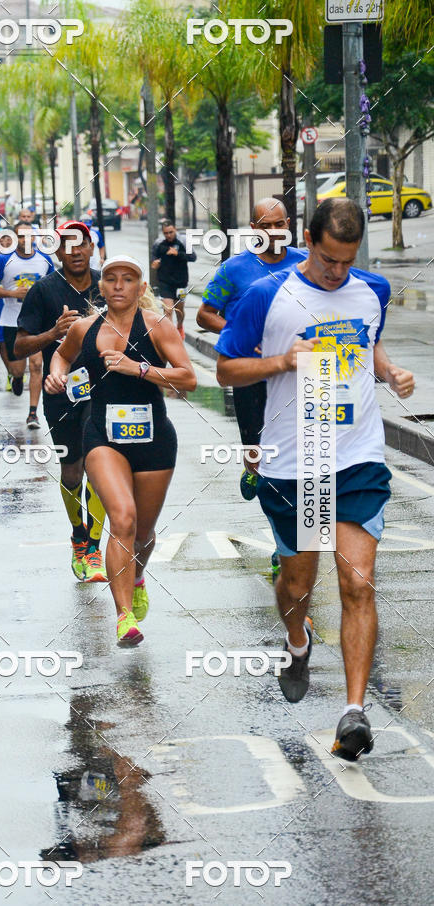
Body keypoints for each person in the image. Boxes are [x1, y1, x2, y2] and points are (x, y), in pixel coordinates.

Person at [215, 197, 415, 761]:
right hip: (293, 465)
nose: (336, 272)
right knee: (298, 584)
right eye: (328, 260)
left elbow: (368, 342)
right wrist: (282, 362)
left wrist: (389, 370)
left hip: (355, 458)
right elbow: (226, 366)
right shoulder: (265, 295)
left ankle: (353, 711)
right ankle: (297, 641)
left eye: (346, 262)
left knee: (358, 582)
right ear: (308, 239)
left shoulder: (372, 289)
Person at [45, 255, 196, 646]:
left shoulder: (157, 327)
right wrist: (57, 373)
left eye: (128, 279)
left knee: (143, 533)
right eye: (110, 278)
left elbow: (188, 378)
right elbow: (62, 354)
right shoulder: (85, 328)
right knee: (122, 518)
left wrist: (138, 368)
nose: (118, 285)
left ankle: (139, 576)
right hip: (102, 436)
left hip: (154, 441)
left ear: (140, 288)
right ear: (102, 286)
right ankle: (123, 616)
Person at [198, 198, 307, 532]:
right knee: (260, 454)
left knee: (298, 457)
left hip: (296, 375)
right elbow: (205, 314)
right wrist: (241, 333)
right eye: (265, 225)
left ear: (288, 225)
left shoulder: (306, 263)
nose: (273, 231)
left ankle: (285, 543)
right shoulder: (234, 269)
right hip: (250, 372)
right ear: (254, 228)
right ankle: (253, 469)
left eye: (278, 224)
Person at [15, 222, 108, 581]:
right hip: (61, 391)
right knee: (73, 468)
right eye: (66, 245)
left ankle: (95, 548)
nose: (75, 251)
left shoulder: (108, 284)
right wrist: (53, 333)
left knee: (99, 465)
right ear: (57, 251)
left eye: (81, 243)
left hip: (104, 390)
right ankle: (78, 536)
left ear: (90, 246)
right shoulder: (43, 290)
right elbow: (20, 346)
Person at [0, 222, 53, 406]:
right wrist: (12, 293)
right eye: (21, 236)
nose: (26, 240)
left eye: (29, 235)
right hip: (12, 320)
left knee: (36, 365)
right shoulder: (3, 260)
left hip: (37, 322)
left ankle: (33, 412)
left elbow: (54, 285)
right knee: (18, 370)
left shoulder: (45, 260)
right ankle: (15, 378)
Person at [151, 219, 196, 339]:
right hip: (165, 282)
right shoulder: (158, 243)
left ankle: (180, 325)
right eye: (166, 233)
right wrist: (154, 264)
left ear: (175, 229)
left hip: (181, 282)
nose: (169, 235)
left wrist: (178, 254)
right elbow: (153, 259)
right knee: (168, 310)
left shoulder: (184, 241)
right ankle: (170, 337)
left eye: (171, 232)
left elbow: (193, 257)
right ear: (163, 233)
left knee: (179, 310)